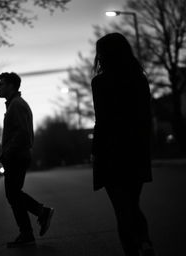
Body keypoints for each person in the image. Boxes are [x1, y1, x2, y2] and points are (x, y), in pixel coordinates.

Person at [91, 33, 155, 256]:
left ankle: (134, 250)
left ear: (104, 55)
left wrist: (95, 151)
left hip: (111, 153)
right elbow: (146, 118)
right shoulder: (139, 79)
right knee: (132, 203)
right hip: (136, 150)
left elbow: (103, 121)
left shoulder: (100, 83)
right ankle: (145, 241)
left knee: (122, 208)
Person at [0, 72, 54, 248]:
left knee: (13, 194)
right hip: (16, 156)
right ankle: (30, 227)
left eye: (2, 84)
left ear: (12, 86)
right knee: (13, 194)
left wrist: (7, 152)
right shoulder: (14, 105)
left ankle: (38, 218)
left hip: (17, 157)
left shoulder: (17, 105)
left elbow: (23, 134)